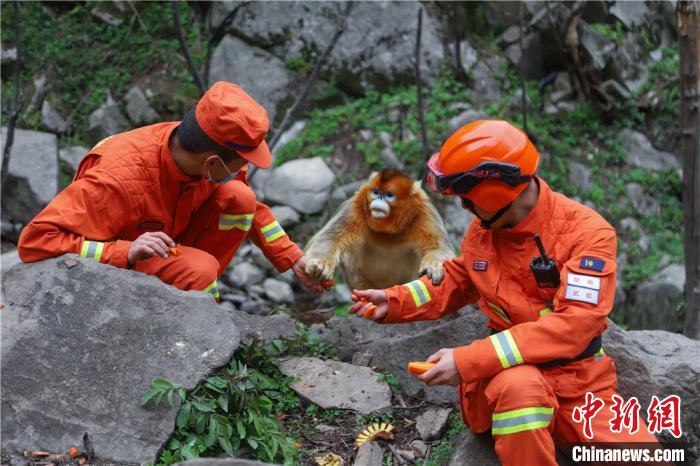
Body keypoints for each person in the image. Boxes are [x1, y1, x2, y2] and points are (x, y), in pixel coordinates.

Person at [350, 120, 663, 465]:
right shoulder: (485, 228)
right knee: (521, 390)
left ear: (493, 195)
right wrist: (395, 301)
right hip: (504, 378)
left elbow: (576, 325)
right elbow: (458, 278)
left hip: (580, 383)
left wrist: (467, 359)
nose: (465, 209)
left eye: (468, 201)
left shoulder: (588, 235)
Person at [18, 81, 324, 298]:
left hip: (164, 242)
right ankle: (196, 312)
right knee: (200, 270)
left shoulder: (199, 147)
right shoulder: (117, 183)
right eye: (241, 160)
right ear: (213, 161)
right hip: (114, 265)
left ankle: (189, 291)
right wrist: (125, 251)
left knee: (239, 198)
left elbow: (252, 209)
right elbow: (34, 240)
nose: (243, 167)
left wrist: (293, 257)